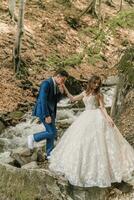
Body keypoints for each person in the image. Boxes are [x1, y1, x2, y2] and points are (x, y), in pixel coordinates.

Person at [49, 75, 134, 187]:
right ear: (90, 82)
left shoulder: (99, 94)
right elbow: (73, 98)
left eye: (98, 83)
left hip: (97, 117)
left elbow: (102, 107)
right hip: (85, 117)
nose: (97, 85)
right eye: (95, 83)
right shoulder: (85, 93)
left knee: (101, 143)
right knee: (81, 142)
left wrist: (108, 118)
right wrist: (64, 88)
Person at [27, 70, 69, 160]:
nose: (63, 83)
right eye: (63, 80)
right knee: (51, 132)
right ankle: (33, 137)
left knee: (52, 132)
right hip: (43, 111)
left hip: (51, 111)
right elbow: (43, 100)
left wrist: (61, 93)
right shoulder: (46, 83)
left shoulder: (55, 85)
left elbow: (55, 100)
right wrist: (46, 115)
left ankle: (49, 153)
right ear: (58, 76)